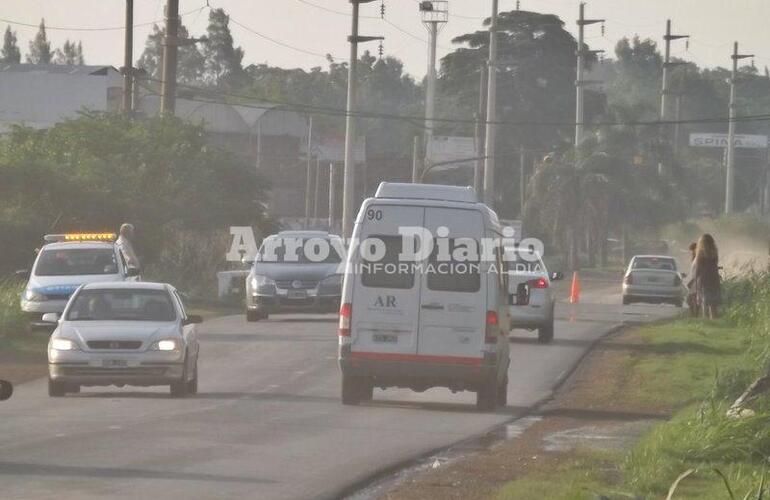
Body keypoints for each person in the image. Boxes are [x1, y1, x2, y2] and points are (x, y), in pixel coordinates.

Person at [691, 234, 721, 319]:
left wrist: (695, 279)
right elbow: (715, 265)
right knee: (713, 303)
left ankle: (706, 320)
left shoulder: (700, 254)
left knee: (704, 301)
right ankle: (714, 319)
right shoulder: (714, 253)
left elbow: (697, 269)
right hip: (714, 279)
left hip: (704, 280)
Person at [686, 242, 699, 317]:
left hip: (696, 282)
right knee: (692, 299)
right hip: (695, 281)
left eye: (692, 251)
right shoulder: (695, 259)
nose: (691, 253)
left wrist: (692, 281)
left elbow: (698, 271)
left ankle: (695, 315)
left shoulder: (697, 259)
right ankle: (694, 315)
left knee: (692, 299)